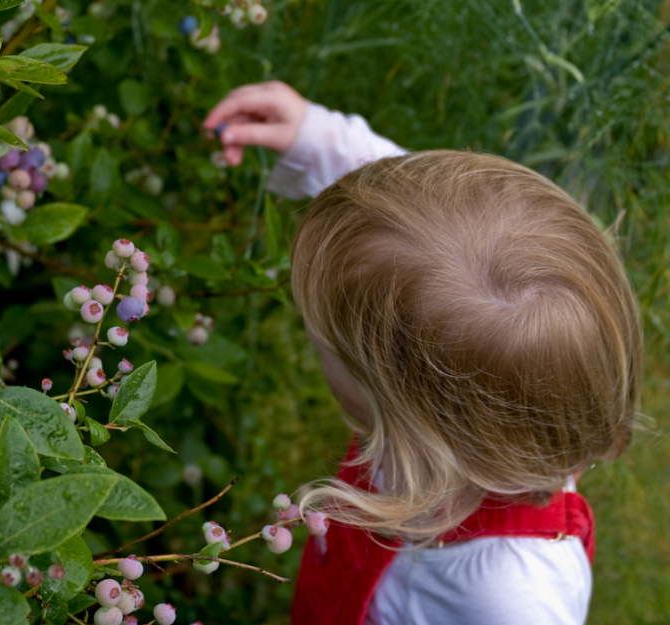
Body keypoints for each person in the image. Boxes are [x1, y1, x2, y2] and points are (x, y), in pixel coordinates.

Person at [204, 82, 643, 625]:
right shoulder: (492, 416)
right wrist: (317, 137)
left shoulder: (513, 596)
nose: (312, 340)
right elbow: (407, 216)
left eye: (325, 345)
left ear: (410, 418)